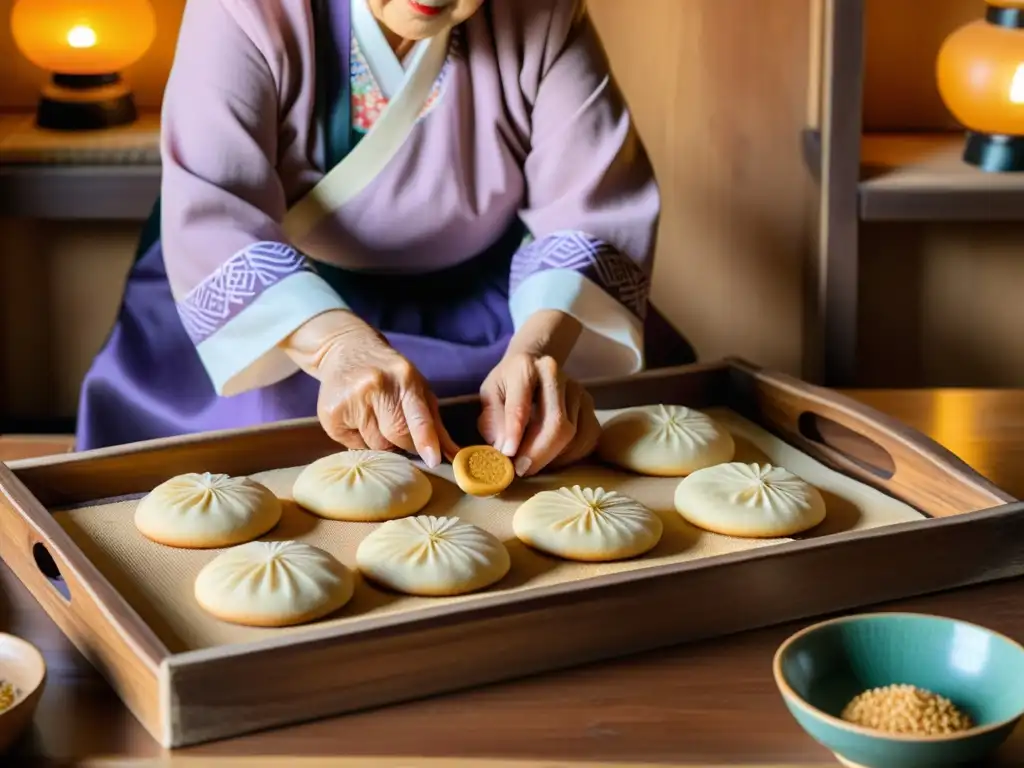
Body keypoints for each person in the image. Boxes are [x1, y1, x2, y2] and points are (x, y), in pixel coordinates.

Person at [76, 0, 694, 476]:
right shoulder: (247, 9)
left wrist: (539, 350)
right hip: (284, 317)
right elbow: (217, 205)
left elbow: (589, 203)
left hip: (492, 313)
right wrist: (337, 347)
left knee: (562, 433)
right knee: (270, 457)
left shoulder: (545, 13)